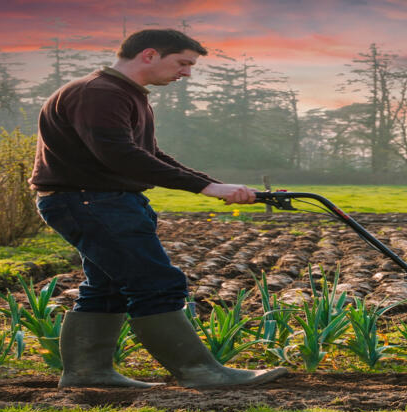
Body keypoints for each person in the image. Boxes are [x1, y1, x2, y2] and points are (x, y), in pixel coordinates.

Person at [29, 29, 287, 389]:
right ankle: (201, 373)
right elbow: (121, 156)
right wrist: (209, 187)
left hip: (101, 200)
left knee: (108, 287)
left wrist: (213, 186)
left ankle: (89, 373)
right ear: (149, 55)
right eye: (183, 63)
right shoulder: (98, 94)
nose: (187, 73)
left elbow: (148, 155)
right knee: (155, 283)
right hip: (90, 200)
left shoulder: (124, 95)